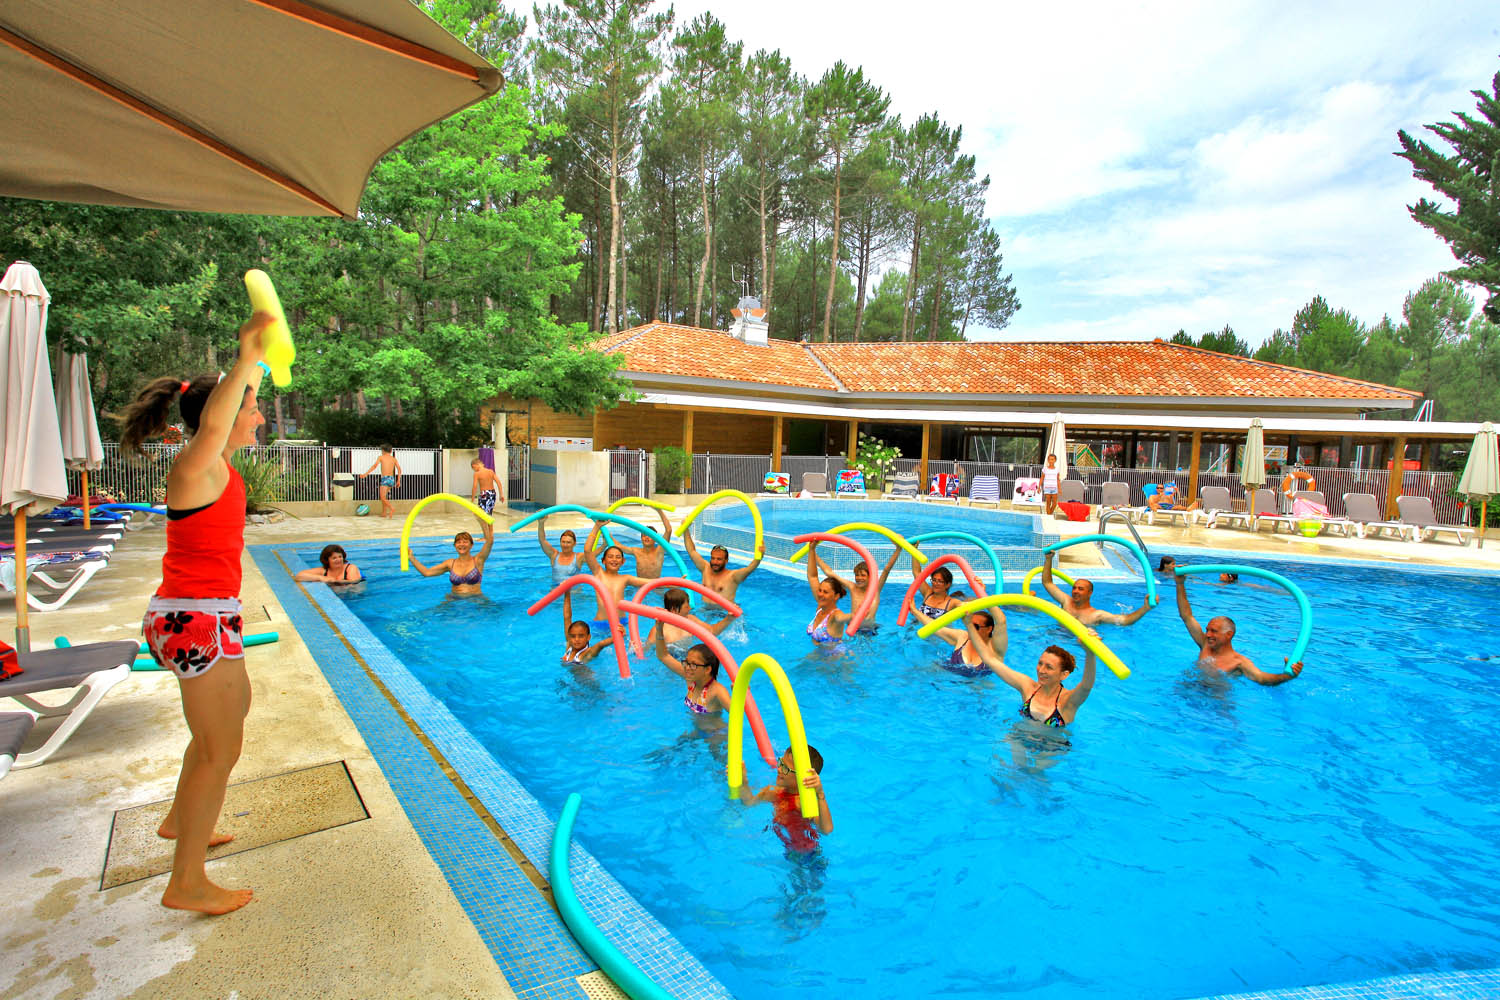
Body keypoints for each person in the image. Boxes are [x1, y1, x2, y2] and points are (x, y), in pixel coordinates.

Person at [122, 310, 273, 915]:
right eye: (251, 406)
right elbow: (214, 421)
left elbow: (225, 414)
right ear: (221, 417)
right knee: (220, 747)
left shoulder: (221, 468)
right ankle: (185, 882)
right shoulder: (198, 465)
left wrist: (254, 369)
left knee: (229, 719)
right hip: (194, 621)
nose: (259, 415)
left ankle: (179, 820)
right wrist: (244, 357)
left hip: (210, 617)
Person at [964, 616, 1098, 728]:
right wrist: (969, 624)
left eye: (1049, 667)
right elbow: (989, 660)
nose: (1041, 670)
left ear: (1064, 674)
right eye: (1040, 664)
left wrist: (1090, 653)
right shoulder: (1027, 687)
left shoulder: (1068, 701)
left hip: (1050, 747)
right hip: (1019, 737)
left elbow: (1086, 686)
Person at [1172, 572, 1304, 684]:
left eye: (1213, 631)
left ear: (1228, 634)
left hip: (1215, 701)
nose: (1208, 634)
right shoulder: (1205, 644)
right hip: (1192, 689)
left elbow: (1262, 678)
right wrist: (1179, 584)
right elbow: (1187, 616)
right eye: (1207, 630)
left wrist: (1287, 676)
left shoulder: (1239, 663)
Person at [738, 745, 834, 845]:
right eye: (781, 763)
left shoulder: (802, 803)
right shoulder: (774, 792)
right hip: (786, 845)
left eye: (785, 768)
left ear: (803, 778)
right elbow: (749, 802)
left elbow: (826, 830)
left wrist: (820, 794)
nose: (779, 769)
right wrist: (743, 782)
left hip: (807, 854)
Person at [1039, 551, 1152, 627]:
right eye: (1074, 588)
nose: (1075, 591)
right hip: (1057, 636)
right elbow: (1047, 582)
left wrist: (1145, 608)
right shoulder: (1066, 601)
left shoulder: (1097, 615)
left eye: (1081, 589)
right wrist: (1049, 559)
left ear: (1090, 593)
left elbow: (1125, 621)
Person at [815, 547, 901, 629]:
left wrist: (898, 549)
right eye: (857, 575)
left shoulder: (875, 589)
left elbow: (886, 570)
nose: (859, 578)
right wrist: (812, 552)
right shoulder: (852, 587)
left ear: (870, 577)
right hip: (853, 627)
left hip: (869, 629)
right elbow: (829, 573)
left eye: (863, 575)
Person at [909, 603, 1005, 676]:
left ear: (989, 629)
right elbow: (935, 627)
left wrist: (982, 596)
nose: (970, 628)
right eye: (969, 623)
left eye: (975, 626)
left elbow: (1001, 621)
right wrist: (914, 610)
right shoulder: (962, 637)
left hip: (977, 691)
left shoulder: (995, 648)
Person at [653, 630, 732, 715]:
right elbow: (663, 656)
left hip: (715, 729)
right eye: (686, 662)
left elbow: (736, 714)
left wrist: (739, 695)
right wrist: (659, 629)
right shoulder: (691, 678)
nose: (687, 667)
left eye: (693, 664)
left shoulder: (718, 691)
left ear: (707, 669)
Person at [409, 520, 494, 596]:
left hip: (476, 599)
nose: (462, 544)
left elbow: (489, 542)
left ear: (471, 545)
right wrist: (411, 558)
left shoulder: (478, 560)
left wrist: (489, 523)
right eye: (458, 542)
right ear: (454, 546)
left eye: (465, 542)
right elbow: (427, 572)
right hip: (454, 600)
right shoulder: (450, 564)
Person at [641, 587, 735, 652]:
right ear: (674, 610)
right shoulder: (659, 629)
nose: (690, 608)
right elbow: (646, 653)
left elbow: (712, 631)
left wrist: (729, 618)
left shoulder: (690, 619)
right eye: (687, 606)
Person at [583, 522, 651, 613]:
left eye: (618, 557)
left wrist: (675, 583)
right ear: (603, 561)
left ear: (623, 562)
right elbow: (587, 551)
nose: (614, 560)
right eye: (610, 557)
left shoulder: (625, 579)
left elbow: (653, 582)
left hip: (621, 624)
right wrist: (597, 526)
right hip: (601, 624)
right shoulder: (599, 573)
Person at [682, 530, 763, 601]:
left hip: (724, 613)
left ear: (726, 560)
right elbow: (691, 551)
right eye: (713, 558)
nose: (715, 562)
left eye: (719, 559)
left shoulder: (733, 576)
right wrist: (686, 529)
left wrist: (759, 557)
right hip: (705, 611)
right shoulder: (705, 568)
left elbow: (749, 569)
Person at [804, 541, 852, 647]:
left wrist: (856, 615)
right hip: (819, 657)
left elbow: (845, 618)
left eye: (825, 592)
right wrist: (811, 549)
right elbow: (812, 577)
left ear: (836, 596)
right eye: (820, 590)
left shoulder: (836, 616)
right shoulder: (821, 607)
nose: (820, 594)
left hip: (834, 660)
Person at [616, 508, 674, 579]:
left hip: (655, 587)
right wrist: (607, 534)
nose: (646, 537)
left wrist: (659, 510)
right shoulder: (636, 551)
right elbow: (619, 546)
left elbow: (668, 530)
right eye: (644, 535)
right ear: (641, 539)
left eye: (649, 536)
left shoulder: (659, 551)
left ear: (655, 539)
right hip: (640, 586)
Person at [560, 590, 613, 664]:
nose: (576, 639)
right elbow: (567, 617)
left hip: (586, 675)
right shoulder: (570, 644)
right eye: (573, 636)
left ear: (588, 637)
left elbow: (601, 644)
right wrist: (567, 592)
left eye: (581, 636)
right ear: (569, 636)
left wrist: (618, 636)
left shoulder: (586, 654)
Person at [536, 519, 587, 584]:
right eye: (563, 542)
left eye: (568, 542)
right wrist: (541, 522)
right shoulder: (554, 555)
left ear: (574, 544)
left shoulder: (579, 557)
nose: (565, 545)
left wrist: (603, 544)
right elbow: (542, 541)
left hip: (574, 592)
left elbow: (593, 555)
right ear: (560, 542)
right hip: (556, 591)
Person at [360, 445, 402, 518]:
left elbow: (374, 466)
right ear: (391, 451)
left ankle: (391, 508)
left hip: (385, 479)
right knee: (384, 497)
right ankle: (384, 513)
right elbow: (399, 469)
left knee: (382, 497)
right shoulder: (393, 459)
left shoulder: (381, 457)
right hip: (392, 479)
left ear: (383, 450)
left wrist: (365, 474)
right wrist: (398, 480)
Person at [293, 544, 362, 584]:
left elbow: (354, 583)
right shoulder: (324, 571)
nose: (338, 560)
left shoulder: (350, 568)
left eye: (340, 557)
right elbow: (299, 576)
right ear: (327, 560)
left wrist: (333, 581)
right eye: (334, 558)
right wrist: (321, 578)